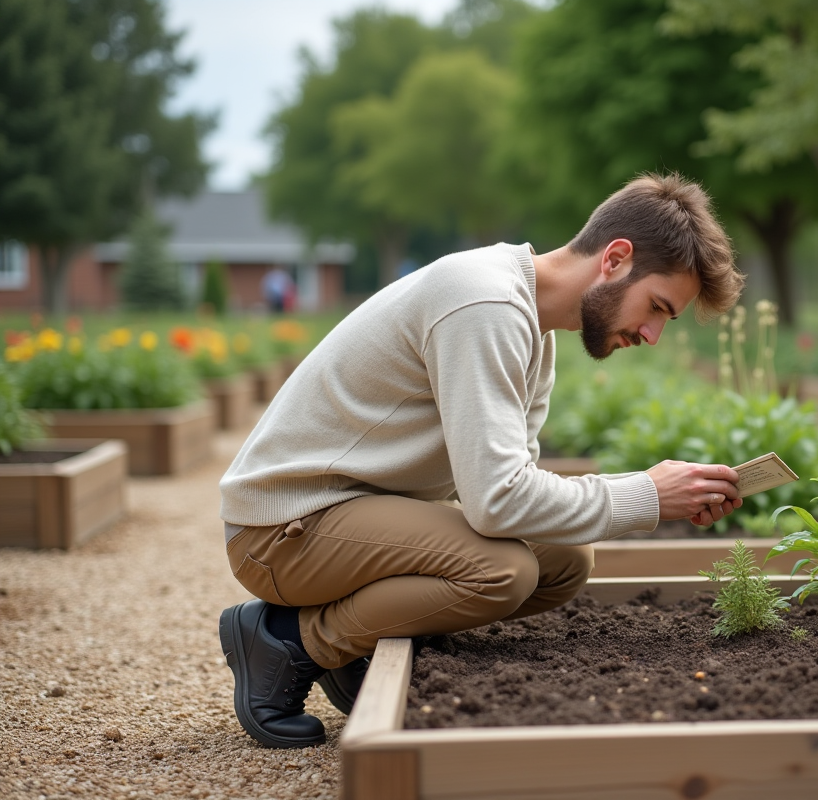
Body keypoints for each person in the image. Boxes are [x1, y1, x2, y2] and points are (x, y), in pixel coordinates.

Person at [217, 173, 747, 748]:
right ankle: (287, 639)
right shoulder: (484, 301)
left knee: (564, 559)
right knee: (503, 572)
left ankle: (361, 641)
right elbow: (498, 503)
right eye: (657, 307)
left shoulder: (533, 328)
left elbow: (516, 491)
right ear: (616, 259)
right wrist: (647, 495)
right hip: (283, 528)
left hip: (358, 512)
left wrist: (653, 495)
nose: (652, 334)